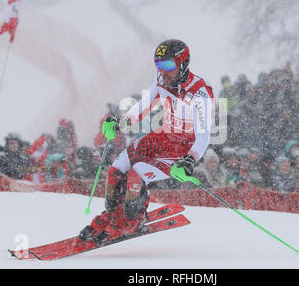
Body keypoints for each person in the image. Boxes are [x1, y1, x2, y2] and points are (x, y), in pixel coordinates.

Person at [79, 39, 214, 243]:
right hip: (162, 137)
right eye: (158, 65)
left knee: (137, 173)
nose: (163, 71)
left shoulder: (200, 93)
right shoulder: (161, 81)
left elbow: (203, 137)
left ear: (183, 64)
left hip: (182, 150)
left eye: (168, 65)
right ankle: (113, 216)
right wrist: (120, 122)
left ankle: (132, 221)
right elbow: (145, 104)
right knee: (116, 169)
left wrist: (189, 161)